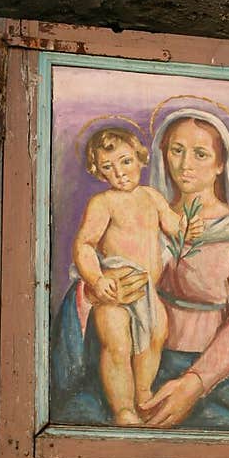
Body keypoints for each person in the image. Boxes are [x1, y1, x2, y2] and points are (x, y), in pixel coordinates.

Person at [50, 104, 229, 433]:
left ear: (221, 163)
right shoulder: (146, 212)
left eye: (200, 154)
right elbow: (87, 258)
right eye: (177, 150)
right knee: (80, 414)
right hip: (141, 358)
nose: (185, 164)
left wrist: (194, 383)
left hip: (225, 373)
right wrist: (94, 288)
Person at [70, 126, 198, 425]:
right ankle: (123, 409)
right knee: (117, 346)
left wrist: (186, 229)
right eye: (108, 167)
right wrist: (97, 279)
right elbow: (85, 245)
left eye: (126, 161)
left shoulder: (152, 197)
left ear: (140, 159)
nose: (120, 173)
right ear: (99, 173)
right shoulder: (103, 203)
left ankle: (142, 395)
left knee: (155, 338)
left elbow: (173, 226)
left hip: (147, 292)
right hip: (116, 291)